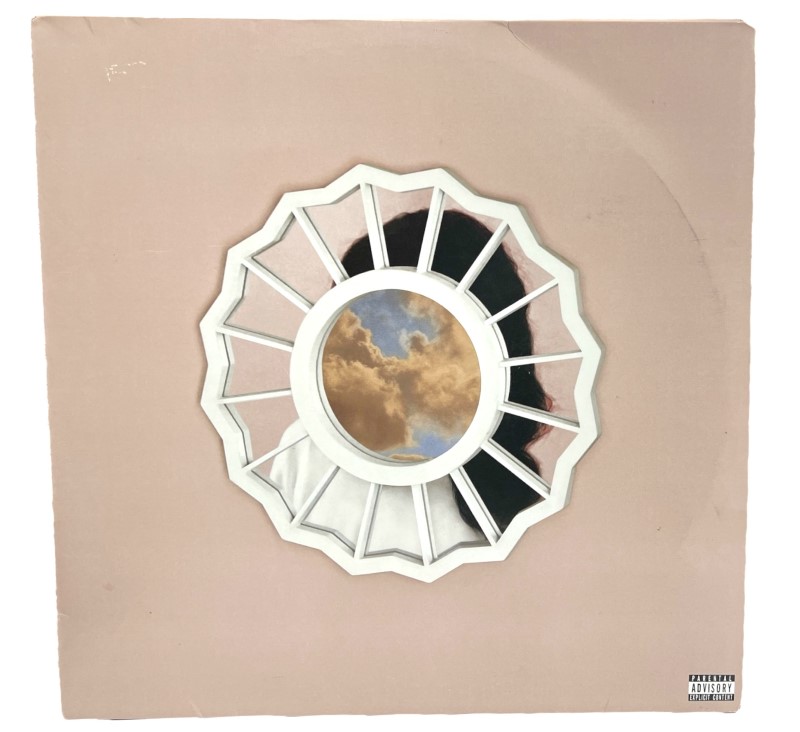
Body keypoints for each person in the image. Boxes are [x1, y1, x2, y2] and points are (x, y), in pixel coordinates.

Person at [270, 209, 550, 558]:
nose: (383, 355)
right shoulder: (306, 447)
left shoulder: (521, 506)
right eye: (361, 322)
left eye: (430, 331)